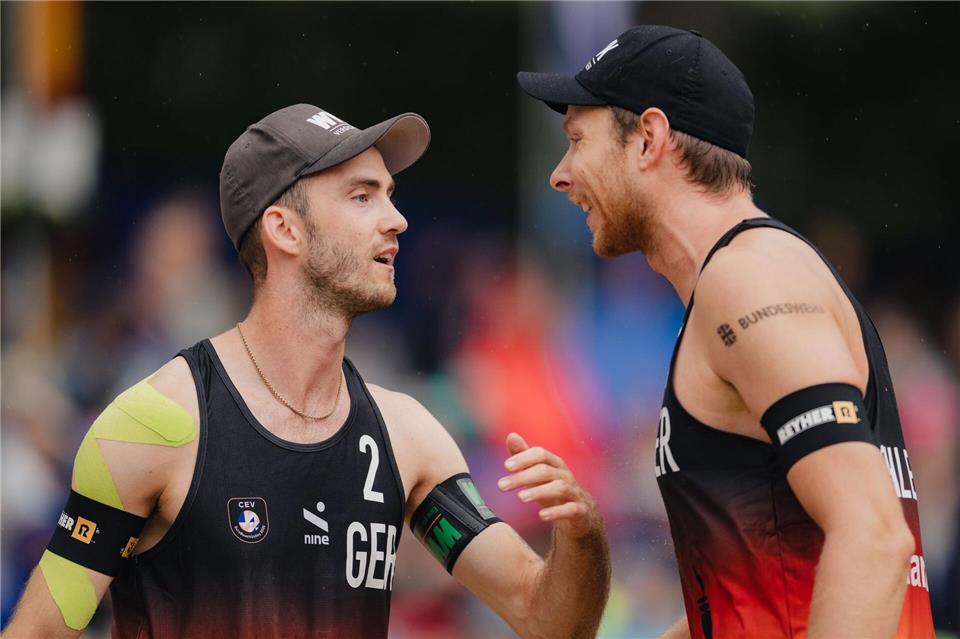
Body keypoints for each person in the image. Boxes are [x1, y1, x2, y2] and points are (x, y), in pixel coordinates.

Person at [5, 104, 611, 638]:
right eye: (362, 195)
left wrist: (583, 537)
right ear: (284, 229)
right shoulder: (157, 425)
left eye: (391, 195)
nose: (396, 219)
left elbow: (548, 620)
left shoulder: (407, 438)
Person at [517, 25, 935, 639]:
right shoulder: (739, 284)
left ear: (649, 139)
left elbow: (873, 535)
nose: (560, 174)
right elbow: (757, 600)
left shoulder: (752, 281)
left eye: (578, 140)